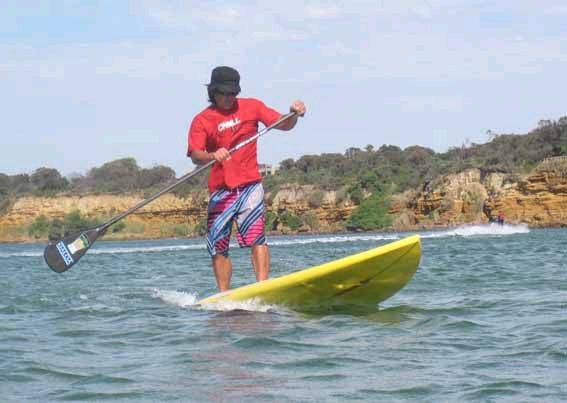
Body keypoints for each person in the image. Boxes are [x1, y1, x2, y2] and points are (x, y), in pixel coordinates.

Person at [187, 66, 306, 292]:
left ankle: (263, 287)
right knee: (218, 245)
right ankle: (224, 295)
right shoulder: (202, 120)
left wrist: (294, 114)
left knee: (256, 237)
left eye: (233, 93)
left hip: (250, 185)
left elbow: (283, 124)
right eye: (224, 93)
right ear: (213, 92)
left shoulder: (252, 106)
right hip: (221, 190)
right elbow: (195, 154)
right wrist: (212, 155)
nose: (229, 98)